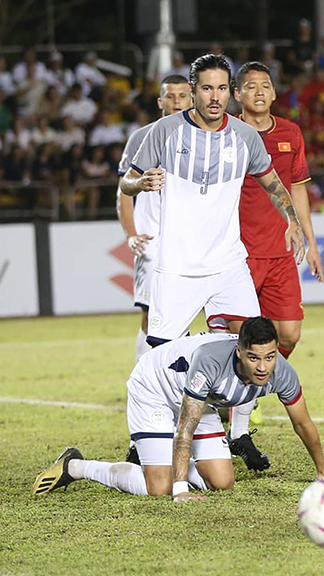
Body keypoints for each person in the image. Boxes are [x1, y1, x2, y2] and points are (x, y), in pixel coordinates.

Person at [32, 317, 324, 500]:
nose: (263, 367)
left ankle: (168, 461)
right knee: (159, 487)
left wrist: (322, 467)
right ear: (239, 351)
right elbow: (185, 427)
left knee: (222, 482)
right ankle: (75, 466)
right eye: (254, 358)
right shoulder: (211, 362)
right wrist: (180, 488)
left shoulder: (281, 371)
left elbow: (302, 423)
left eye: (269, 357)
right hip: (154, 387)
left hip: (199, 397)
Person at [118, 54, 305, 348]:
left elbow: (274, 185)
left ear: (230, 92)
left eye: (221, 89)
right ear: (194, 91)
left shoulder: (245, 136)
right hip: (177, 266)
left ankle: (226, 391)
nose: (214, 97)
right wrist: (140, 182)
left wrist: (292, 220)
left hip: (228, 264)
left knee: (251, 344)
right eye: (206, 89)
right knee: (163, 353)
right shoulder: (164, 131)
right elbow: (126, 183)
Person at [228, 61, 324, 471]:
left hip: (281, 253)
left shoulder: (290, 133)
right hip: (239, 254)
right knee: (241, 337)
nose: (260, 92)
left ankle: (251, 389)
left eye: (266, 85)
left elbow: (298, 190)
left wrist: (309, 239)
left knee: (289, 332)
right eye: (251, 86)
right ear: (238, 95)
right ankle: (238, 418)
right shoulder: (227, 134)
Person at [116, 74, 192, 362]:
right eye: (170, 96)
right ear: (160, 101)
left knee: (184, 315)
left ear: (191, 99)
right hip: (152, 241)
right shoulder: (141, 138)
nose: (176, 101)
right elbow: (123, 191)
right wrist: (131, 234)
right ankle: (143, 384)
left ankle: (185, 387)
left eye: (182, 96)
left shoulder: (203, 137)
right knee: (151, 314)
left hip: (188, 242)